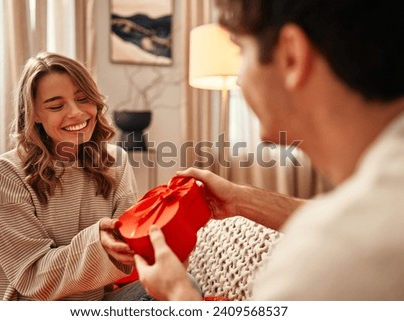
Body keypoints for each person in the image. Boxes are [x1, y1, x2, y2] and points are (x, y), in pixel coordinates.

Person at [134, 0, 404, 300]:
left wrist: (178, 294)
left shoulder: (327, 259)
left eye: (240, 51)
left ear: (291, 55)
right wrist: (241, 199)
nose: (238, 78)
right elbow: (358, 219)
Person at [0, 52, 151, 300]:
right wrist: (97, 244)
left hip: (96, 303)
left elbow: (128, 249)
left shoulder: (117, 162)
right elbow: (32, 278)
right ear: (34, 114)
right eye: (56, 106)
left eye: (83, 99)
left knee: (180, 286)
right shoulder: (2, 174)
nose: (76, 113)